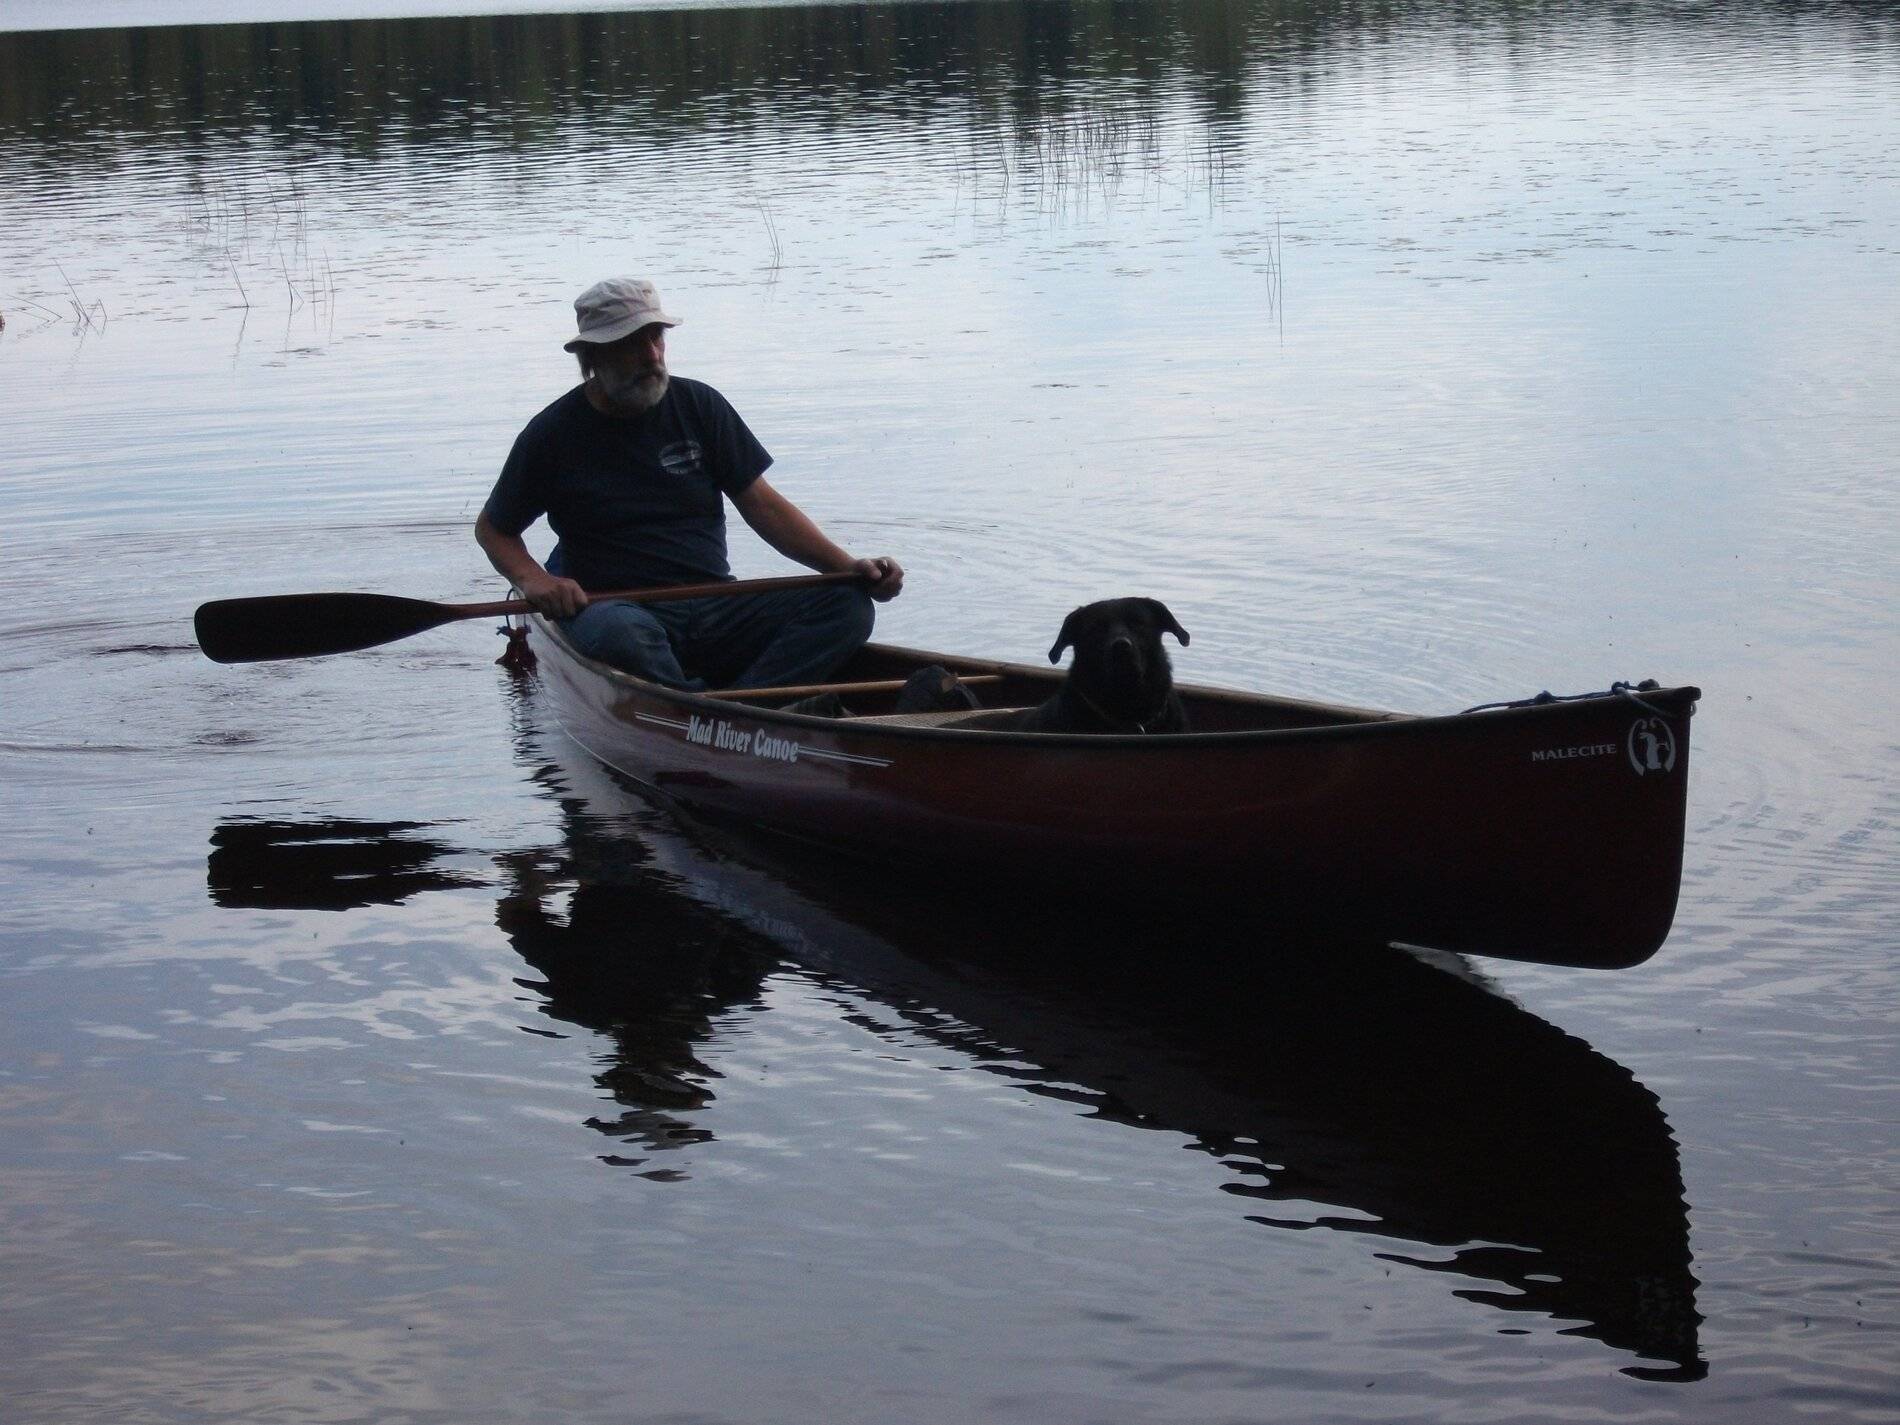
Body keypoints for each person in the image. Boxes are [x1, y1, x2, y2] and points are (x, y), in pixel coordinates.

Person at [476, 277, 903, 690]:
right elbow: (495, 529)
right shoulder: (553, 434)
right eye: (631, 343)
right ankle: (698, 708)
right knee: (622, 635)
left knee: (847, 606)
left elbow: (763, 506)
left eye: (656, 337)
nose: (651, 355)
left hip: (715, 604)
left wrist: (847, 569)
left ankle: (749, 703)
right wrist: (536, 580)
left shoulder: (700, 406)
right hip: (614, 607)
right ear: (593, 358)